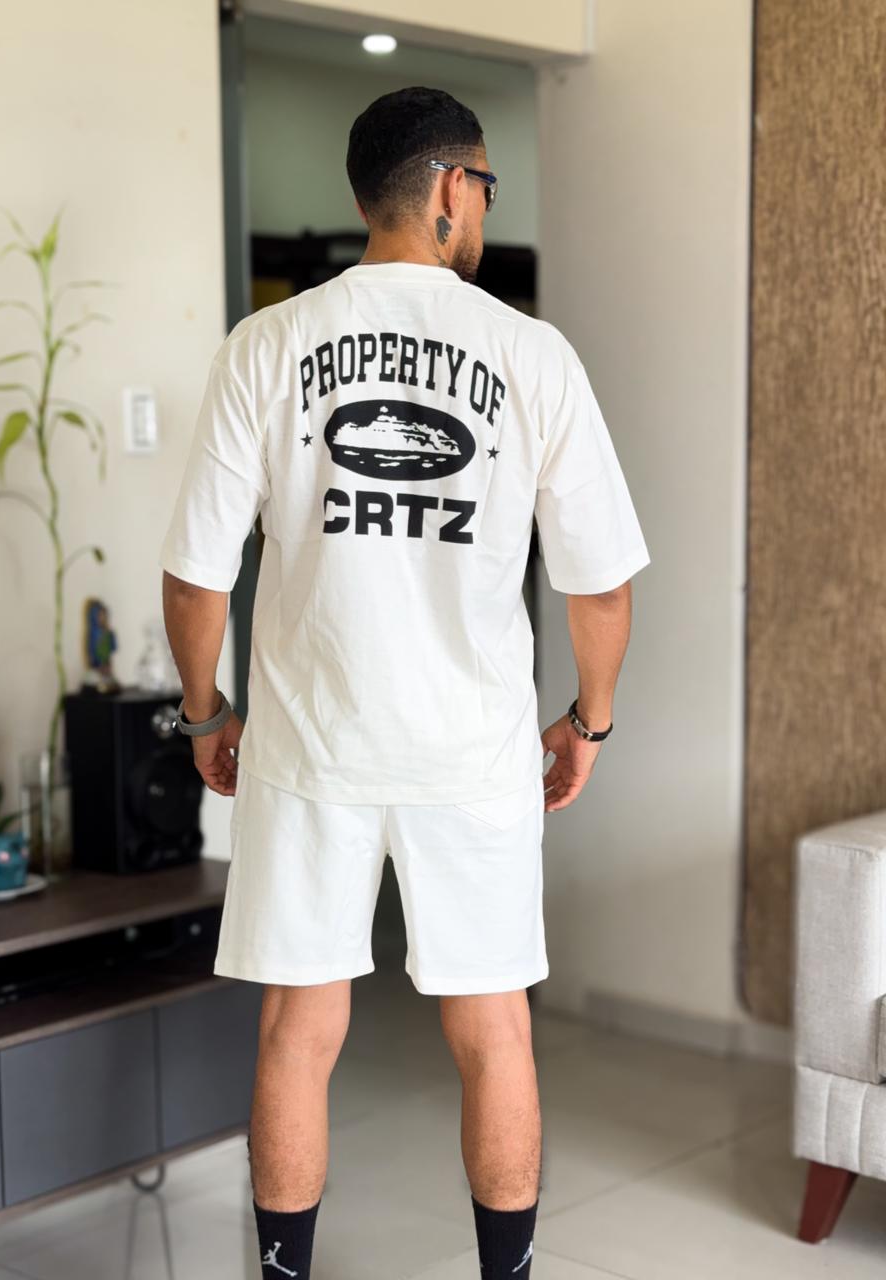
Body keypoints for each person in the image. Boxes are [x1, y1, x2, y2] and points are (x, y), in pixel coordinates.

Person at [159, 85, 649, 1280]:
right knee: (494, 1030)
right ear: (447, 189)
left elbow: (194, 576)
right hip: (472, 748)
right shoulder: (530, 354)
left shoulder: (267, 345)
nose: (485, 208)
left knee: (298, 1028)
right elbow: (599, 587)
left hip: (308, 742)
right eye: (485, 186)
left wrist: (205, 710)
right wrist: (587, 722)